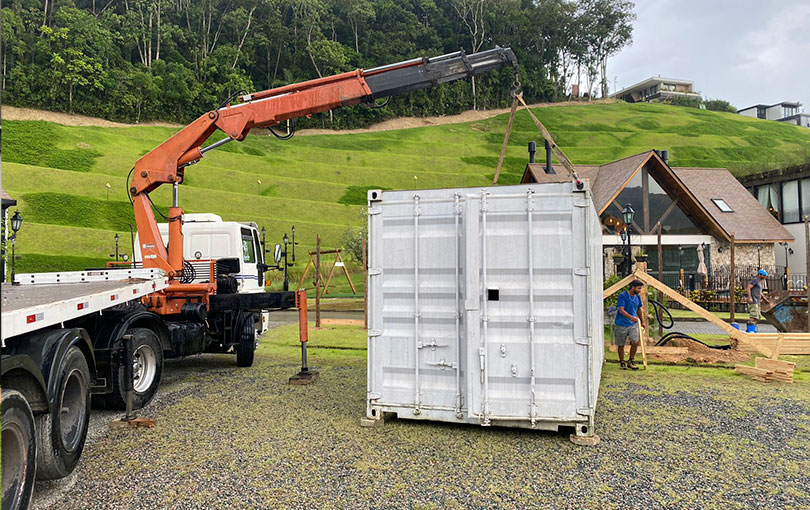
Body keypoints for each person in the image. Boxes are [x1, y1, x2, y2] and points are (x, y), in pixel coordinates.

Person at [614, 280, 645, 370]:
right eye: (639, 288)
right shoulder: (623, 296)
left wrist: (642, 321)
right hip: (621, 323)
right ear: (633, 287)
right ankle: (622, 361)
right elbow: (621, 310)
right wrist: (630, 317)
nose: (640, 290)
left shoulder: (637, 297)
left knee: (635, 341)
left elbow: (639, 309)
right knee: (621, 344)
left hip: (633, 324)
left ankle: (631, 360)